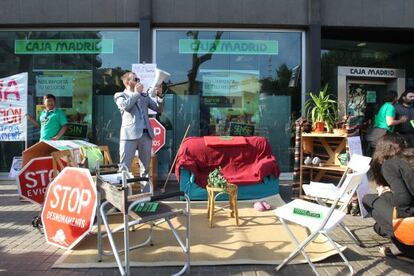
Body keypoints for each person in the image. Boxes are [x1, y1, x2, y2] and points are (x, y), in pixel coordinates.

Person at [362, 134, 414, 259]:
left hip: (410, 218)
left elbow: (403, 200)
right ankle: (383, 229)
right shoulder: (410, 159)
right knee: (378, 227)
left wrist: (385, 194)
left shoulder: (390, 164)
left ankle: (404, 247)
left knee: (368, 199)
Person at [114, 72, 164, 176]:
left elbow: (159, 109)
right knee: (124, 168)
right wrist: (136, 93)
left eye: (138, 79)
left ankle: (146, 192)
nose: (138, 81)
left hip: (146, 134)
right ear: (128, 82)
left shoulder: (143, 96)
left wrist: (159, 96)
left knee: (145, 169)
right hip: (129, 135)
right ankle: (125, 191)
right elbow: (125, 107)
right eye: (136, 79)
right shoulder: (120, 95)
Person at [365, 90, 407, 155]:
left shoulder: (383, 106)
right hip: (383, 133)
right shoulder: (390, 107)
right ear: (395, 98)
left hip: (376, 132)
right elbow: (389, 122)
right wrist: (401, 120)